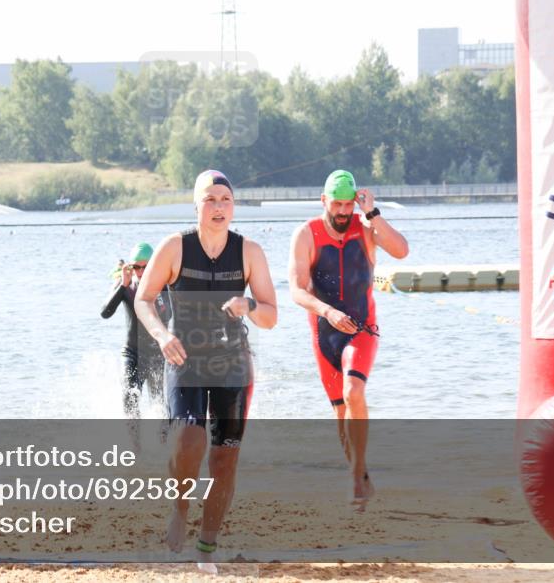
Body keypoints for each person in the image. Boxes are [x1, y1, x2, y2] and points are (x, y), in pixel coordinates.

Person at [135, 169, 277, 571]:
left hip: (233, 362)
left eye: (225, 200)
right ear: (195, 205)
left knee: (224, 459)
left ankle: (207, 546)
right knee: (189, 440)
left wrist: (248, 305)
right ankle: (179, 507)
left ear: (234, 207)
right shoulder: (174, 247)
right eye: (210, 199)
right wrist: (162, 336)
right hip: (185, 357)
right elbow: (144, 299)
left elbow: (271, 315)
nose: (218, 207)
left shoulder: (249, 252)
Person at [288, 169, 408, 506]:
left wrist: (372, 213)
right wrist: (327, 312)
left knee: (353, 389)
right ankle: (359, 471)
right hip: (324, 330)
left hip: (362, 327)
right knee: (341, 412)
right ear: (323, 200)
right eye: (336, 204)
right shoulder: (306, 234)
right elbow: (296, 291)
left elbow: (401, 251)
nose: (343, 212)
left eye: (348, 204)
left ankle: (356, 477)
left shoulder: (366, 228)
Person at [101, 242, 172, 423]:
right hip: (132, 352)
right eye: (136, 267)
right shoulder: (124, 285)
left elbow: (169, 315)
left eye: (145, 267)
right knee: (129, 399)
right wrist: (123, 286)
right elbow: (105, 313)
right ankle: (135, 448)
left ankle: (163, 445)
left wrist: (155, 295)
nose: (140, 271)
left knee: (159, 402)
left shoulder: (162, 285)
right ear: (130, 267)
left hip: (157, 354)